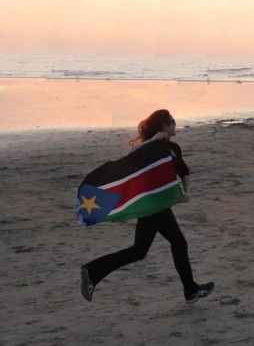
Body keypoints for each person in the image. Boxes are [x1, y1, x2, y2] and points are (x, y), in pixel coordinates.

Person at [80, 109, 214, 304]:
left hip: (155, 206)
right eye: (173, 122)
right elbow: (126, 161)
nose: (176, 124)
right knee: (178, 242)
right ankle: (191, 290)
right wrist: (151, 143)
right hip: (153, 205)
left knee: (139, 250)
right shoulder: (148, 150)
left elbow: (184, 171)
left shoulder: (174, 148)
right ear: (165, 126)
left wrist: (187, 192)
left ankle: (92, 271)